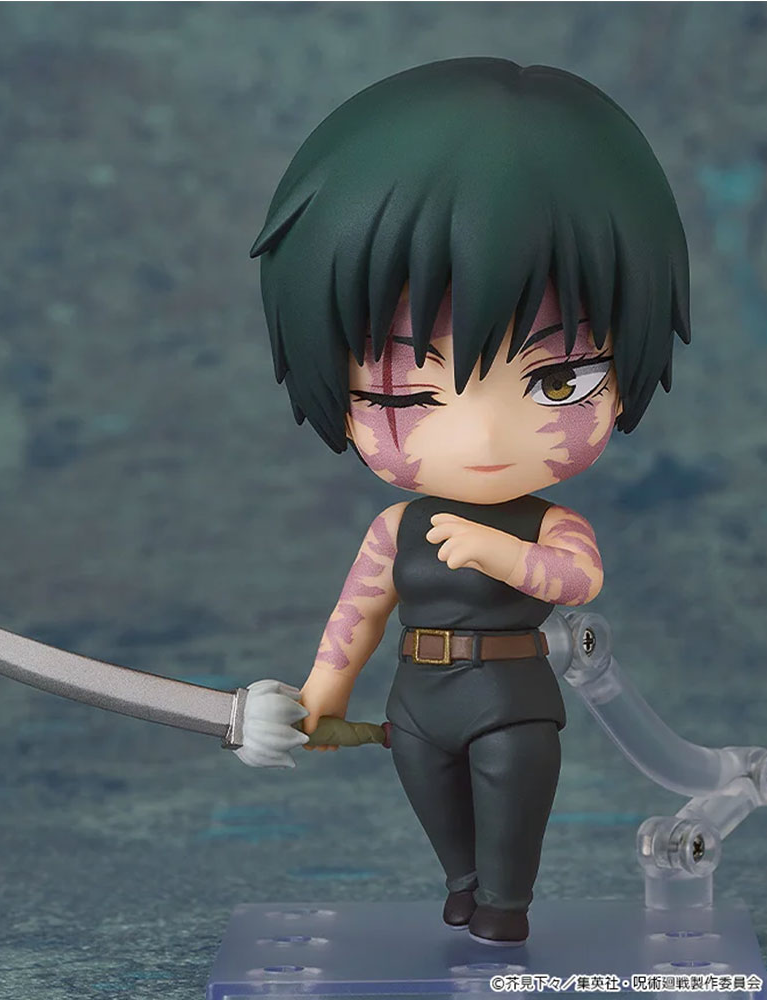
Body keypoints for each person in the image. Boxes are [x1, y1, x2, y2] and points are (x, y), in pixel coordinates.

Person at [249, 57, 690, 946]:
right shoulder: (395, 528)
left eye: (558, 380)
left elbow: (579, 580)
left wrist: (502, 554)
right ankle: (463, 884)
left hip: (511, 695)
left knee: (510, 807)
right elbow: (356, 613)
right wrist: (321, 695)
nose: (485, 436)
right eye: (410, 394)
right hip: (416, 700)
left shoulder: (550, 521)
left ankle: (505, 904)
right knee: (436, 803)